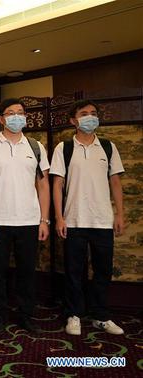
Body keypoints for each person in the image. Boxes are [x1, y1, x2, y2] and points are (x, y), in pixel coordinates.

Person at [50, 99, 125, 336]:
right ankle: (74, 315)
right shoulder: (64, 148)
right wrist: (59, 217)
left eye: (93, 113)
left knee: (103, 270)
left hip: (102, 220)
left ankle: (101, 316)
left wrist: (120, 214)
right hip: (74, 220)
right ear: (73, 120)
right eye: (84, 114)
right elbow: (57, 184)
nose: (90, 117)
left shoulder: (108, 146)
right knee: (74, 271)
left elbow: (115, 182)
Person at [0, 98, 50, 334]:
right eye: (11, 113)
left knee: (27, 272)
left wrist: (44, 220)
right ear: (1, 119)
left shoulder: (36, 147)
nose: (16, 117)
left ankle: (26, 315)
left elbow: (44, 186)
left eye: (20, 113)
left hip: (29, 221)